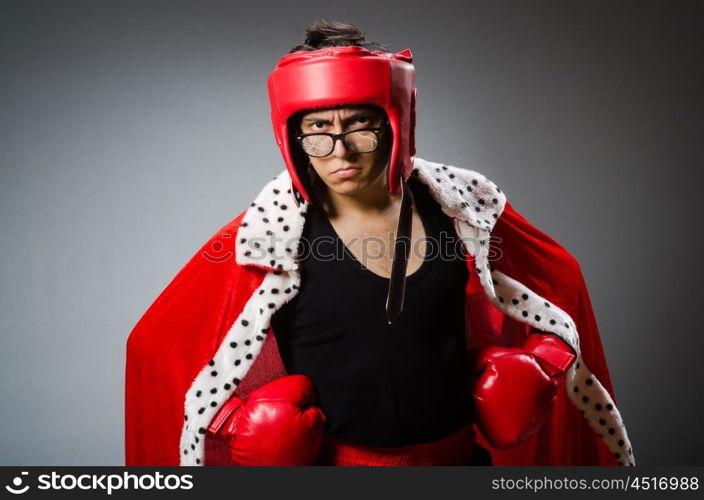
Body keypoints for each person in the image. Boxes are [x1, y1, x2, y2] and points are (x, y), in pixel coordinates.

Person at [125, 19, 635, 466]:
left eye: (360, 126)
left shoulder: (462, 211)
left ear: (395, 124)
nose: (339, 150)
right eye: (317, 129)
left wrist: (543, 364)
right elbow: (156, 349)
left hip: (459, 464)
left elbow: (559, 290)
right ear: (292, 136)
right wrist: (234, 426)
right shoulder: (266, 236)